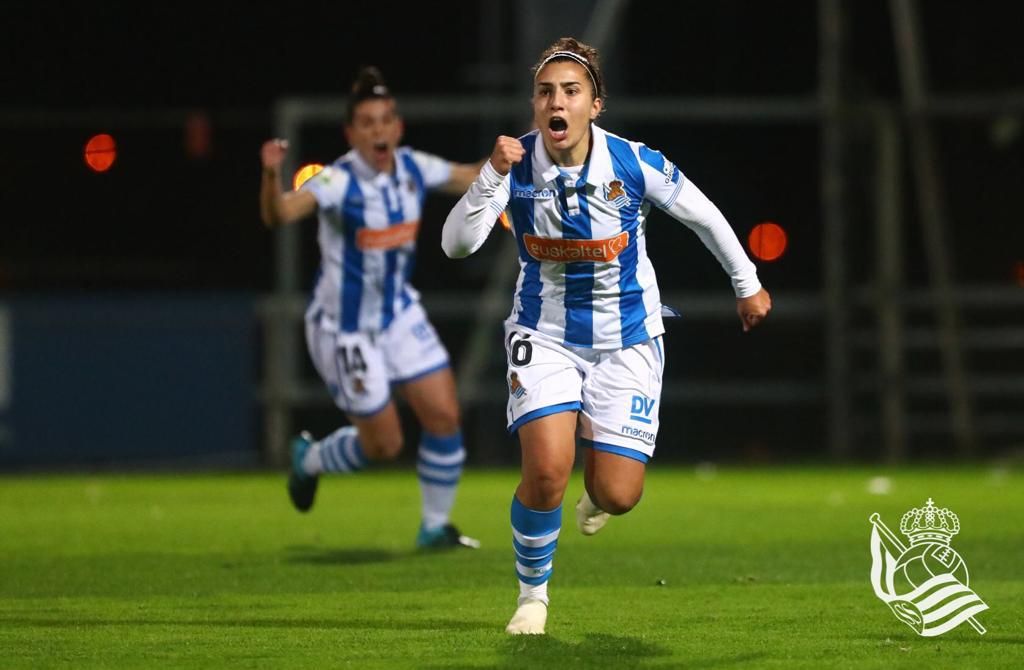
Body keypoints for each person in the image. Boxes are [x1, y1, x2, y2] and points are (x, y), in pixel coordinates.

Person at [442, 38, 772, 633]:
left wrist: (745, 282)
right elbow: (455, 244)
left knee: (619, 494)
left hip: (628, 337)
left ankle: (599, 489)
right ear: (535, 104)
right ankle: (532, 598)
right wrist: (490, 174)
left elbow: (702, 213)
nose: (556, 102)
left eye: (571, 91)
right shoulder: (514, 167)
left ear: (596, 105)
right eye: (546, 92)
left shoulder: (630, 162)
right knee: (546, 470)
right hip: (543, 332)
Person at [260, 66, 483, 550]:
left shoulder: (413, 167)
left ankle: (434, 526)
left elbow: (470, 175)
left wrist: (519, 157)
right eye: (367, 122)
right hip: (346, 329)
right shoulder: (338, 182)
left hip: (399, 314)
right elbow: (279, 213)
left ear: (397, 127)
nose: (378, 130)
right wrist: (269, 174)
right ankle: (311, 459)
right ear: (351, 133)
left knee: (444, 413)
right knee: (384, 445)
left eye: (385, 120)